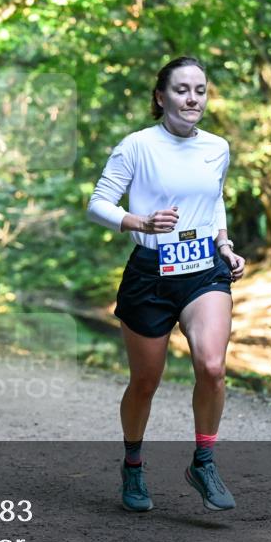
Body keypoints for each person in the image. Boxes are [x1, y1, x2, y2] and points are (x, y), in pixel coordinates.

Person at [87, 56, 247, 513]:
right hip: (149, 272)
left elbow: (214, 201)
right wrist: (140, 222)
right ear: (161, 96)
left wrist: (225, 243)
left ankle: (204, 460)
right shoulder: (136, 146)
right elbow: (98, 204)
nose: (192, 97)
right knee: (145, 382)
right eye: (181, 89)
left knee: (212, 367)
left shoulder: (217, 147)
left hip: (203, 270)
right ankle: (133, 465)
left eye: (199, 89)